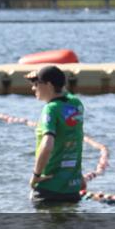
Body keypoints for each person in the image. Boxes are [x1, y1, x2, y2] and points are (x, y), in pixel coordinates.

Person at [27, 66, 85, 203]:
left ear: (49, 85)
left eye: (37, 84)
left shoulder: (50, 109)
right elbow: (75, 139)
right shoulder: (76, 104)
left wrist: (35, 175)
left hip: (49, 188)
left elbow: (47, 145)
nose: (33, 88)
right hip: (72, 188)